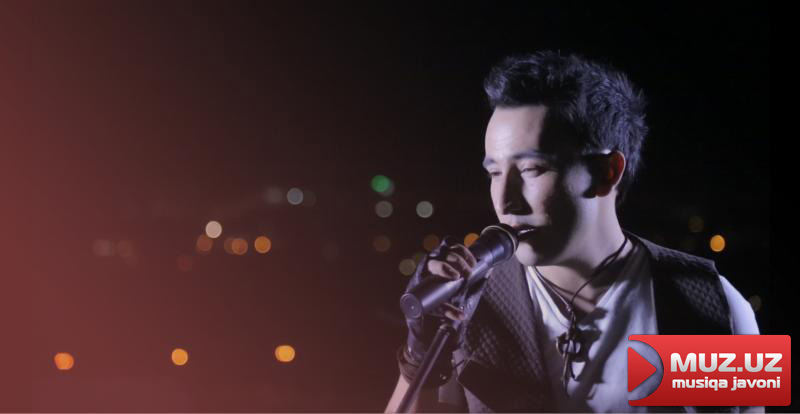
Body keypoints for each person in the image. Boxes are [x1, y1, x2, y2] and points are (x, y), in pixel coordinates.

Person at [384, 51, 760, 413]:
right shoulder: (468, 307)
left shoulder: (708, 304)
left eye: (531, 169)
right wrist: (420, 357)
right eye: (494, 173)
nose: (505, 200)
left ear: (607, 172)